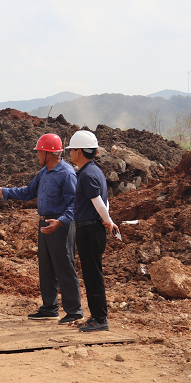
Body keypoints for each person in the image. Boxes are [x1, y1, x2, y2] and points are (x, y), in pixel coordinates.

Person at [0, 133, 83, 325]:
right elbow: (28, 192)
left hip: (61, 226)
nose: (37, 155)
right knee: (46, 267)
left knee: (64, 266)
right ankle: (49, 308)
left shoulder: (67, 173)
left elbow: (74, 205)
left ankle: (74, 311)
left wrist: (60, 222)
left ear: (48, 153)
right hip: (45, 224)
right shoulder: (44, 173)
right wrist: (3, 191)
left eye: (39, 152)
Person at [67, 129, 118, 333]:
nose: (69, 153)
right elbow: (103, 202)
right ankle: (96, 316)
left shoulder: (87, 174)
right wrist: (108, 221)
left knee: (92, 275)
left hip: (90, 229)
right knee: (90, 274)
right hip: (92, 228)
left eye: (71, 150)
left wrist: (108, 221)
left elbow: (98, 203)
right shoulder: (94, 171)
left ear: (79, 151)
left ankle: (100, 319)